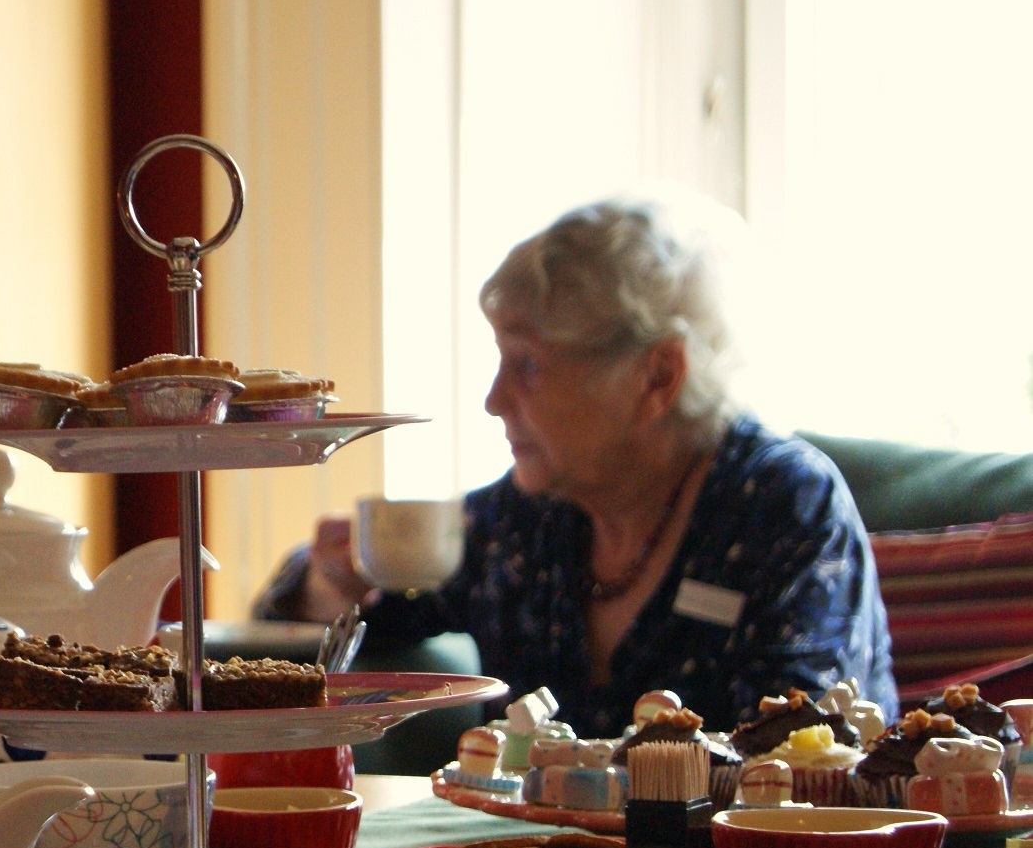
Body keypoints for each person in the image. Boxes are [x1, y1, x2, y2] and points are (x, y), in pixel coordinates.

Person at [259, 195, 896, 738]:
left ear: (658, 376)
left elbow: (803, 754)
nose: (493, 399)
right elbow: (338, 607)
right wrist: (332, 583)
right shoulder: (523, 521)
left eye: (527, 365)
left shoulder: (780, 505)